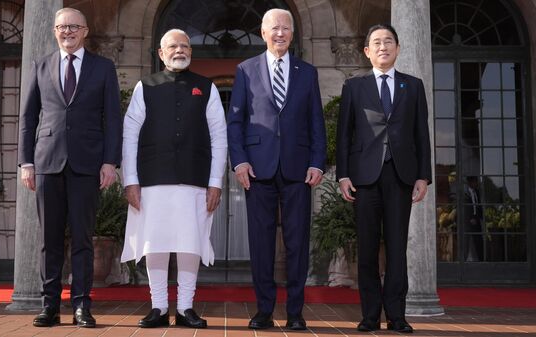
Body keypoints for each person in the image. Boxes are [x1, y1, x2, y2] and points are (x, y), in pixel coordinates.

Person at [18, 8, 122, 328]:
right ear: (53, 31)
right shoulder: (41, 66)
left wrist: (109, 162)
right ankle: (49, 305)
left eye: (74, 27)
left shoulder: (103, 68)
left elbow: (112, 119)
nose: (67, 32)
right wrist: (26, 162)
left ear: (85, 31)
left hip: (87, 164)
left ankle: (81, 306)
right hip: (47, 162)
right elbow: (27, 119)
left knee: (82, 239)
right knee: (49, 240)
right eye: (62, 27)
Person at [120, 29, 227, 329]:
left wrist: (215, 182)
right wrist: (130, 180)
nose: (179, 50)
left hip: (194, 180)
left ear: (190, 51)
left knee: (189, 243)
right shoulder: (146, 86)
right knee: (156, 243)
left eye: (185, 46)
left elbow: (220, 136)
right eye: (173, 46)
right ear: (161, 53)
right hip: (152, 179)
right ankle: (157, 306)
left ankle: (185, 308)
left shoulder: (206, 87)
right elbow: (130, 134)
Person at [227, 8, 326, 331]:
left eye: (286, 28)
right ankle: (264, 310)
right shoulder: (245, 70)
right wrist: (239, 161)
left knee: (298, 242)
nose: (280, 33)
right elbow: (236, 121)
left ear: (293, 35)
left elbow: (316, 121)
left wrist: (316, 161)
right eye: (275, 28)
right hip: (258, 168)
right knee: (261, 243)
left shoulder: (307, 72)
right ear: (263, 32)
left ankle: (296, 312)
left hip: (299, 169)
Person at [336, 23, 431, 333]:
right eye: (376, 42)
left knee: (396, 247)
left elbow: (421, 134)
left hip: (401, 176)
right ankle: (369, 315)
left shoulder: (413, 86)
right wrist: (343, 174)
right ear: (367, 51)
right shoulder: (354, 86)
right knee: (366, 248)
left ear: (398, 48)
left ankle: (397, 315)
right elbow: (344, 134)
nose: (383, 47)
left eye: (389, 41)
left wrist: (423, 176)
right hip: (364, 178)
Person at [463, 176, 484, 261]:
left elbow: (478, 206)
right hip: (468, 221)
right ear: (470, 183)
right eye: (475, 182)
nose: (477, 184)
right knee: (466, 241)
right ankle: (464, 260)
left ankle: (481, 260)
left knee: (479, 241)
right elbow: (464, 208)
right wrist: (469, 219)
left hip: (476, 220)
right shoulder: (465, 192)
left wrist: (479, 217)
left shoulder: (477, 192)